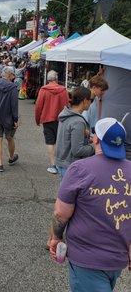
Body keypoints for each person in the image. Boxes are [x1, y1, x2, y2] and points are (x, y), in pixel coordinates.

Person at [50, 117, 131, 292]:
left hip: (87, 258)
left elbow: (60, 214)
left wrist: (56, 237)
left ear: (95, 139)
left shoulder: (80, 169)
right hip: (118, 258)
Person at [55, 86, 95, 179]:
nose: (91, 103)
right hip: (70, 165)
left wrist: (85, 137)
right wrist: (94, 146)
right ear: (85, 100)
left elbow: (67, 138)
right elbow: (77, 150)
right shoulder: (78, 121)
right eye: (91, 100)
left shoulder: (66, 114)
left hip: (62, 161)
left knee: (63, 192)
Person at [35, 70, 69, 174]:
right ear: (56, 79)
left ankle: (53, 165)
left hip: (47, 119)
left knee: (50, 142)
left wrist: (37, 119)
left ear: (48, 79)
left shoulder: (43, 90)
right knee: (61, 141)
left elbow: (38, 106)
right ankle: (61, 164)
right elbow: (67, 105)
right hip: (61, 119)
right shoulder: (63, 90)